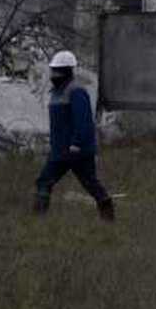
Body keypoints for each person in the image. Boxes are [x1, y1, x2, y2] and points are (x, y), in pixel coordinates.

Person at [34, 49, 115, 221]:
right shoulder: (55, 93)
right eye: (53, 70)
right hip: (60, 151)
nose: (54, 74)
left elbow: (84, 121)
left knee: (91, 184)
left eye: (58, 71)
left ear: (67, 71)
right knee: (44, 181)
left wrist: (76, 143)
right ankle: (37, 220)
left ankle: (108, 216)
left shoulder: (77, 91)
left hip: (77, 150)